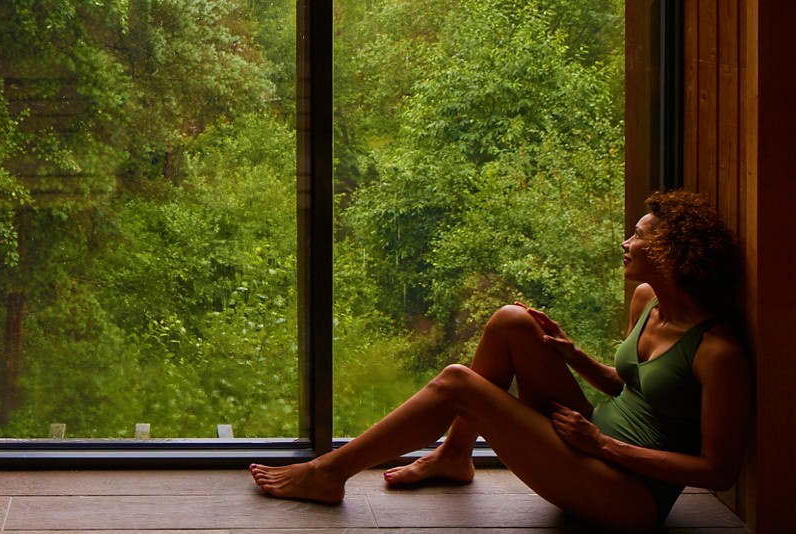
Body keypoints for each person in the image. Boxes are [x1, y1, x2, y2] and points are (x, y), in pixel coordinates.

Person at [250, 190, 749, 534]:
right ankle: (455, 454)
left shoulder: (717, 352)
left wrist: (603, 444)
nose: (626, 243)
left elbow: (718, 471)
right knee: (512, 320)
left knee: (458, 384)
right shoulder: (647, 301)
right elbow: (630, 386)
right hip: (590, 442)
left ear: (668, 252)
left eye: (637, 236)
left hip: (628, 494)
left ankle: (329, 472)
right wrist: (575, 357)